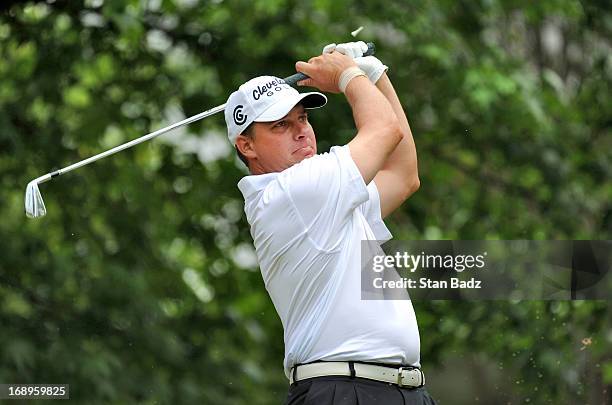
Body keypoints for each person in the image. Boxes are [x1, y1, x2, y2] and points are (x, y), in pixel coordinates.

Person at [224, 42, 436, 405]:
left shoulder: (324, 197)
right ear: (247, 145)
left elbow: (403, 175)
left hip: (391, 390)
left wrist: (373, 73)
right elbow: (384, 130)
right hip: (343, 390)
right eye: (281, 126)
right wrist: (348, 75)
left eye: (303, 119)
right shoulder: (293, 192)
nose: (302, 132)